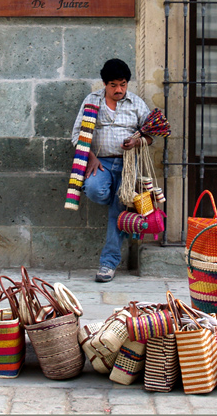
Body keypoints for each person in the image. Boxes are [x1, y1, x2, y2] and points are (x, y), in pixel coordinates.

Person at [70, 58, 152, 282]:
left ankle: (108, 264)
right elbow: (77, 135)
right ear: (105, 84)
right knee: (95, 190)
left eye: (123, 84)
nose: (119, 90)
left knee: (117, 211)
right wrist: (91, 158)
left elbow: (151, 134)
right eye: (114, 85)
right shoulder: (92, 100)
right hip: (101, 163)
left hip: (128, 166)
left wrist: (136, 142)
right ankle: (123, 208)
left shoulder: (136, 103)